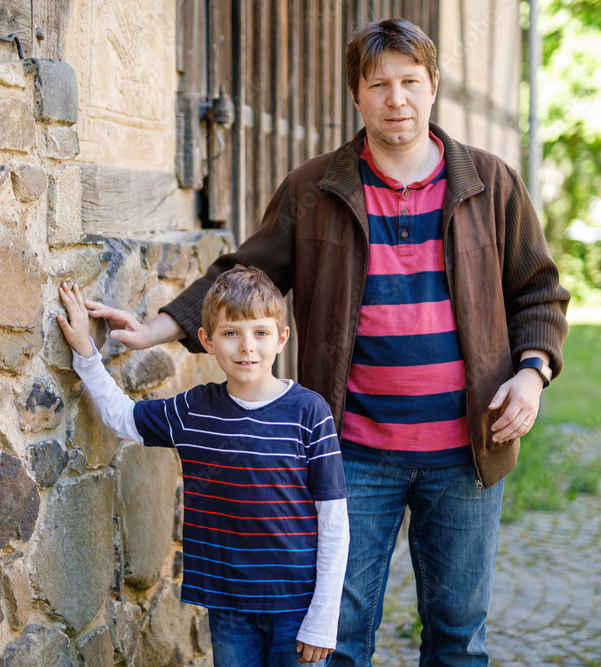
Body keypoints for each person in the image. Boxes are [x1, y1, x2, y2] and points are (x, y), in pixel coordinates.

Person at [84, 18, 569, 666]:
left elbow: (538, 292)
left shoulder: (492, 183)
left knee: (458, 636)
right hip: (353, 452)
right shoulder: (316, 187)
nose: (396, 98)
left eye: (410, 81)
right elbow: (242, 273)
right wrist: (159, 327)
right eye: (379, 84)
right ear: (356, 94)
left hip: (467, 451)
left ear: (433, 87)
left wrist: (532, 373)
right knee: (339, 637)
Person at [56, 267, 350, 666]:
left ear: (282, 338)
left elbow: (333, 519)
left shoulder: (309, 412)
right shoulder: (194, 409)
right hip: (227, 604)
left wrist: (324, 618)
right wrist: (85, 354)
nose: (247, 347)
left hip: (297, 605)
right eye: (231, 333)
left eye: (260, 333)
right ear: (207, 341)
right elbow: (123, 418)